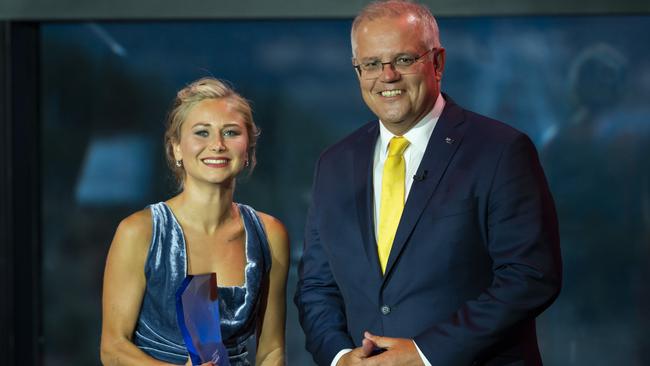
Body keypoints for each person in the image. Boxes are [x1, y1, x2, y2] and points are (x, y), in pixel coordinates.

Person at [294, 1, 562, 365]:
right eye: (371, 64)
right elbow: (316, 287)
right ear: (358, 71)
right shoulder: (335, 163)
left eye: (403, 60)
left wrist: (424, 353)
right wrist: (340, 357)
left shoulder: (499, 150)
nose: (387, 76)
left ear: (437, 62)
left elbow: (529, 277)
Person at [101, 77, 289, 366]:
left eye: (230, 132)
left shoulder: (269, 233)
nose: (217, 145)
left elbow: (272, 350)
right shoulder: (139, 231)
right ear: (176, 148)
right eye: (202, 132)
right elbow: (113, 349)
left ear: (248, 149)